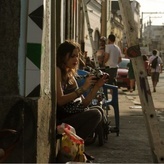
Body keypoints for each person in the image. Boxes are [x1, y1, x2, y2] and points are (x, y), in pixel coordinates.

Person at [56, 40, 108, 147]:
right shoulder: (58, 71)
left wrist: (97, 86)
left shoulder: (71, 75)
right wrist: (83, 88)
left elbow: (84, 103)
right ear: (63, 57)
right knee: (95, 114)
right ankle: (74, 146)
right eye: (72, 56)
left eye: (77, 56)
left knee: (99, 110)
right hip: (64, 119)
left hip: (75, 113)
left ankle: (77, 146)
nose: (76, 59)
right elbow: (60, 100)